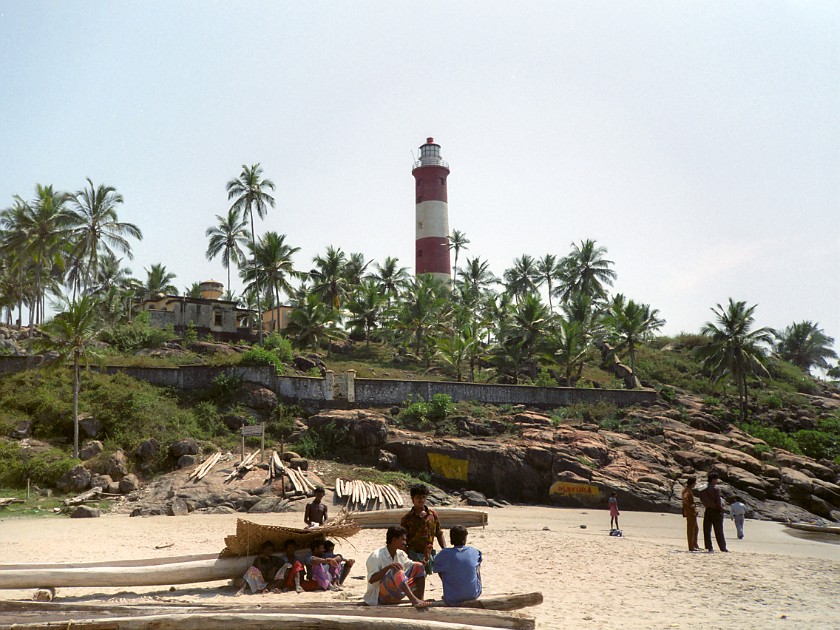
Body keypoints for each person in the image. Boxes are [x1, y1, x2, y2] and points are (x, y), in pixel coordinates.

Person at [365, 525, 429, 608]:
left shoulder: (400, 554)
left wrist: (425, 560)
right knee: (396, 570)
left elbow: (414, 568)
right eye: (403, 540)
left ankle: (420, 599)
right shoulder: (376, 556)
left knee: (418, 566)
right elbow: (371, 580)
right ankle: (414, 600)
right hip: (379, 597)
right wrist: (388, 568)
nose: (405, 543)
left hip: (395, 594)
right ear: (394, 540)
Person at [400, 484, 446, 573]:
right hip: (413, 554)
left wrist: (445, 549)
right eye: (418, 497)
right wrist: (405, 555)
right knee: (417, 578)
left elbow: (439, 533)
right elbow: (403, 540)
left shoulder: (432, 515)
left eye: (423, 497)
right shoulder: (407, 518)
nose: (421, 500)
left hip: (429, 552)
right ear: (412, 498)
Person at [433, 525, 482, 605]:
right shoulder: (474, 551)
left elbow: (435, 565)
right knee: (476, 567)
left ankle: (453, 589)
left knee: (442, 568)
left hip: (452, 597)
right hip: (473, 594)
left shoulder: (444, 553)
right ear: (465, 538)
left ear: (451, 539)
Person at [699, 472, 728, 552]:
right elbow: (718, 502)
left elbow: (702, 500)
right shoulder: (715, 489)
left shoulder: (703, 489)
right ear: (713, 479)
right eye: (716, 479)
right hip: (715, 510)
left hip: (708, 509)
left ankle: (709, 546)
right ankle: (722, 547)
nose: (717, 481)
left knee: (707, 530)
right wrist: (721, 510)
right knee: (719, 530)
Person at [682, 476, 701, 551]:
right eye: (695, 483)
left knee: (695, 529)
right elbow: (685, 498)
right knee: (691, 530)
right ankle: (691, 546)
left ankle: (694, 545)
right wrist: (690, 505)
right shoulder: (686, 490)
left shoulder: (688, 490)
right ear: (692, 483)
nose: (695, 484)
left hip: (692, 512)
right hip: (690, 512)